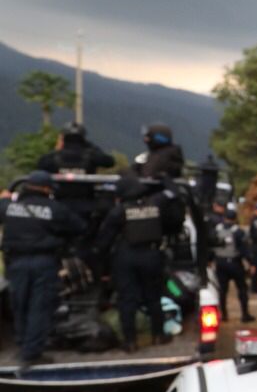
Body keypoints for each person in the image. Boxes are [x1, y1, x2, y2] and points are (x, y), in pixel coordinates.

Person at [1, 170, 85, 366]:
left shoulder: (8, 207)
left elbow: (3, 204)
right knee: (39, 307)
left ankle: (23, 345)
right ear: (47, 189)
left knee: (19, 305)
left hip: (16, 263)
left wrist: (5, 199)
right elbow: (80, 227)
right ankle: (32, 354)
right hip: (43, 263)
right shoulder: (55, 209)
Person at [95, 175, 183, 351]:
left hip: (126, 257)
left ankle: (130, 342)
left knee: (127, 300)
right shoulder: (156, 203)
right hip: (151, 256)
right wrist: (164, 178)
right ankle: (158, 335)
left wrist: (102, 266)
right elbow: (174, 192)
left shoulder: (119, 211)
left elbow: (103, 242)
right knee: (153, 297)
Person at [211, 203, 255, 323]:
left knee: (222, 291)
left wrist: (210, 261)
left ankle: (224, 315)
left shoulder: (216, 230)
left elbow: (210, 247)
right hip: (235, 264)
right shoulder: (238, 232)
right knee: (242, 289)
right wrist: (252, 263)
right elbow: (244, 250)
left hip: (220, 264)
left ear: (224, 217)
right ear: (235, 219)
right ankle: (245, 315)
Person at [37, 122, 115, 174]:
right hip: (86, 197)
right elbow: (110, 162)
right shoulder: (91, 155)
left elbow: (40, 165)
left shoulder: (53, 157)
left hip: (58, 197)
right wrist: (89, 145)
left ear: (63, 138)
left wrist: (57, 149)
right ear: (83, 138)